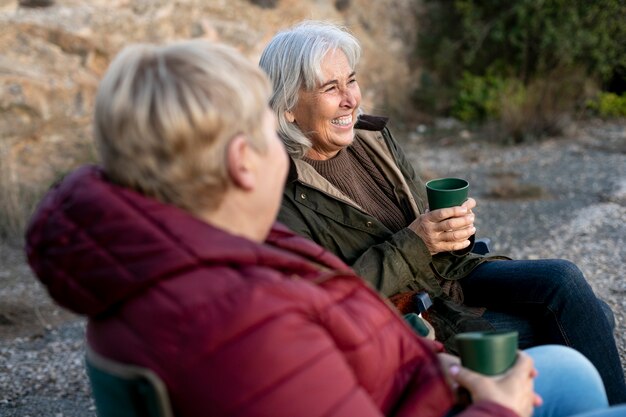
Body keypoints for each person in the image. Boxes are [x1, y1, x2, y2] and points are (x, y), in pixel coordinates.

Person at [23, 38, 626, 417]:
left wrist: (428, 360)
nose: (347, 99)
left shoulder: (213, 254)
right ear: (243, 159)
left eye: (350, 82)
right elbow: (341, 320)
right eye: (265, 131)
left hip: (417, 369)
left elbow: (345, 324)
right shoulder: (244, 319)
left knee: (569, 361)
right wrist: (491, 403)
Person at [258, 20, 626, 405]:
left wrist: (452, 229)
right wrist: (417, 242)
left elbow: (427, 228)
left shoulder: (372, 137)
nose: (350, 99)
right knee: (592, 319)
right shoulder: (282, 192)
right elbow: (327, 299)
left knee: (565, 282)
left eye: (351, 80)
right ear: (287, 108)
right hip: (409, 317)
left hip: (449, 275)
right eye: (330, 88)